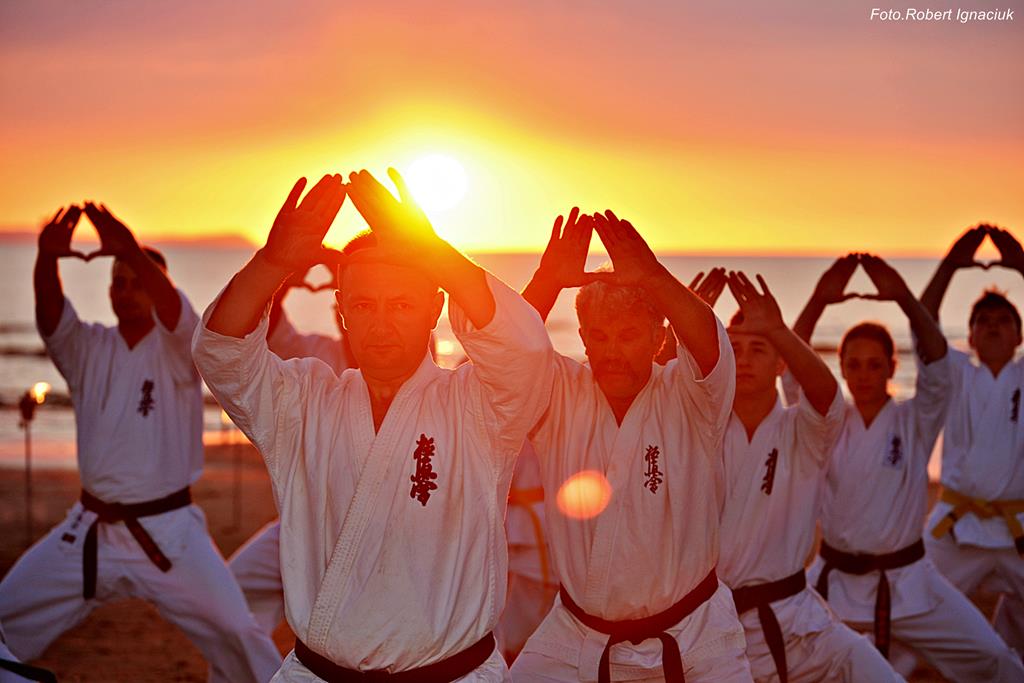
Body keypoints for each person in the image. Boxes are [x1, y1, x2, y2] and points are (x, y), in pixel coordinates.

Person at [192, 169, 554, 681]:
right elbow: (221, 353)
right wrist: (272, 264)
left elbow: (525, 351)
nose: (381, 324)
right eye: (363, 305)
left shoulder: (480, 405)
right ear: (341, 311)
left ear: (434, 308)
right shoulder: (303, 403)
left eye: (401, 304)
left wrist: (435, 254)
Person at [0, 204, 281, 683]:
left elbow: (175, 312)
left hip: (171, 534)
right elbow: (51, 316)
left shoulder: (181, 348)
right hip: (89, 531)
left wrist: (129, 249)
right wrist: (46, 259)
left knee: (239, 634)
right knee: (6, 617)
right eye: (117, 282)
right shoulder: (87, 348)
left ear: (156, 288)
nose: (125, 291)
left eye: (136, 282)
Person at [511, 209, 753, 681]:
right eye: (599, 336)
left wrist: (652, 277)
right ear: (583, 338)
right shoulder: (559, 394)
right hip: (576, 638)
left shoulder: (692, 396)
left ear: (659, 337)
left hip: (695, 639)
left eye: (627, 336)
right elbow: (507, 354)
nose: (612, 351)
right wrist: (547, 280)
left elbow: (710, 345)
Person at [795, 253, 1024, 681]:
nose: (863, 375)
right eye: (853, 364)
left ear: (892, 367)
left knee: (996, 660)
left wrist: (904, 298)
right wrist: (818, 300)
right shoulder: (825, 423)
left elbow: (936, 366)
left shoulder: (916, 418)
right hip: (834, 583)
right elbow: (795, 369)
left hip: (909, 581)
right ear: (840, 368)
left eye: (875, 364)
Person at [716, 267, 902, 683]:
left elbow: (825, 395)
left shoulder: (804, 431)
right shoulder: (701, 428)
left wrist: (778, 330)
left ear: (781, 362)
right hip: (715, 626)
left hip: (795, 619)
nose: (743, 359)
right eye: (734, 349)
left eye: (758, 349)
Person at [228, 263, 355, 635]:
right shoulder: (315, 357)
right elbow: (261, 329)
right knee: (231, 593)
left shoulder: (410, 364)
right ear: (340, 309)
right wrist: (284, 277)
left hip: (380, 527)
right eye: (352, 306)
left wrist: (347, 269)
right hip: (306, 518)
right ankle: (256, 664)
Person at [920, 224, 1024, 656]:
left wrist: (1022, 264)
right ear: (971, 336)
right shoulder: (955, 372)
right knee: (915, 606)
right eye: (984, 321)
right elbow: (922, 322)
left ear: (1019, 336)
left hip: (1019, 530)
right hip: (954, 525)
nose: (993, 327)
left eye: (1004, 321)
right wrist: (949, 266)